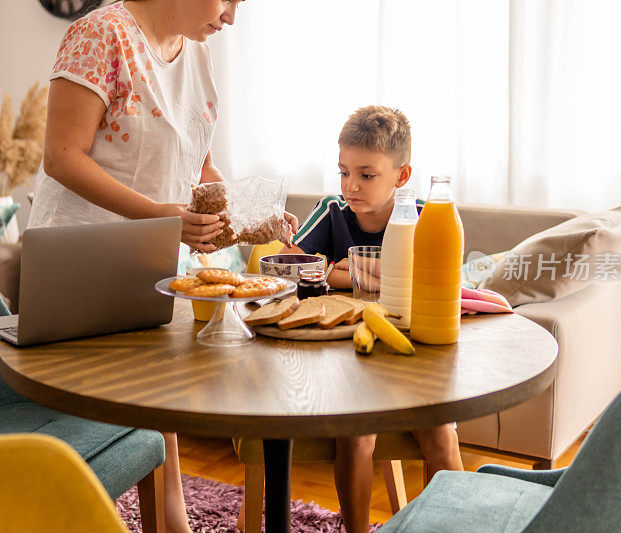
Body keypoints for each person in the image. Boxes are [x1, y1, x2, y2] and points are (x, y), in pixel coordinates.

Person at [27, 1, 296, 531]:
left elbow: (197, 164)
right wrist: (159, 217)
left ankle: (173, 525)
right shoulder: (100, 33)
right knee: (142, 409)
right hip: (77, 266)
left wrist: (246, 213)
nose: (232, 18)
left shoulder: (196, 53)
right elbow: (61, 155)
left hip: (148, 262)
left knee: (162, 405)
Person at [281, 106, 464, 533]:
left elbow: (430, 284)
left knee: (440, 437)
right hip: (349, 358)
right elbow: (295, 267)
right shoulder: (333, 210)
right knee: (356, 436)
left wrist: (345, 269)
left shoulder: (425, 215)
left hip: (414, 355)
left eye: (366, 175)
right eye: (343, 172)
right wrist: (353, 271)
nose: (350, 186)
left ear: (401, 176)